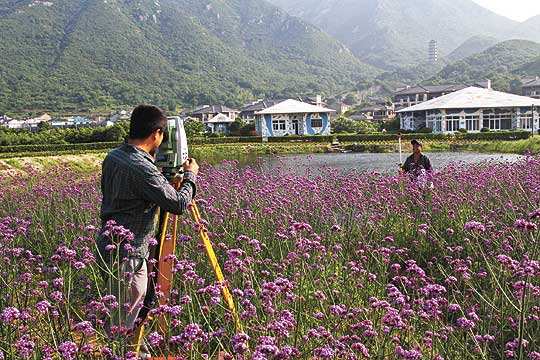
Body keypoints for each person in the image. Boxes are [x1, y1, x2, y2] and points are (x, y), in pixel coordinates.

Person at [96, 104, 199, 334]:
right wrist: (191, 175)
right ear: (156, 135)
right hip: (128, 255)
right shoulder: (142, 169)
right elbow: (178, 204)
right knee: (122, 323)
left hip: (108, 245)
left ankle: (135, 350)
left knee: (124, 313)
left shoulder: (113, 157)